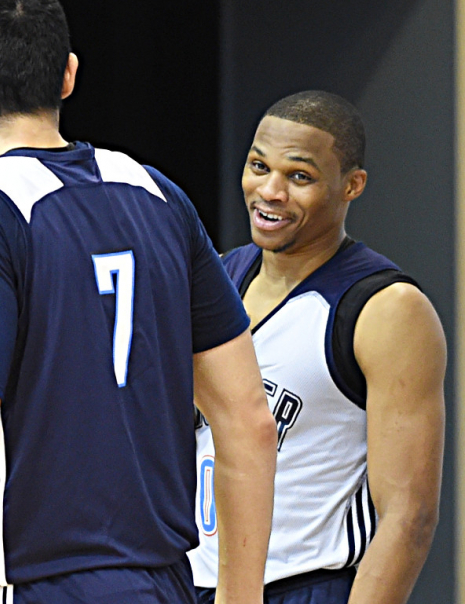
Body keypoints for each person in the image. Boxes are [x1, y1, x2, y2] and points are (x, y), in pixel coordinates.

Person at [0, 1, 278, 602]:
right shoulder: (159, 195)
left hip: (40, 584)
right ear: (68, 74)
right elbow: (249, 420)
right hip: (165, 584)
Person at [189, 91, 446, 604]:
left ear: (352, 185)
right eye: (258, 166)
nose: (270, 191)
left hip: (305, 584)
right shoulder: (215, 276)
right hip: (197, 582)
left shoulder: (387, 309)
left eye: (299, 177)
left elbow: (408, 516)